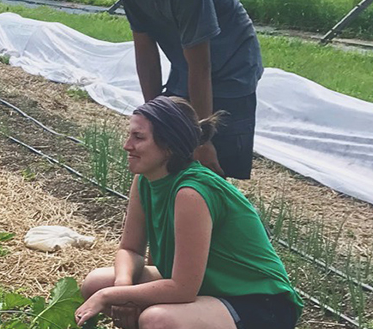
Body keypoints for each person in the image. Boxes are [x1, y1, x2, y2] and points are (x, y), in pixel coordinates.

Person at [75, 96, 302, 329]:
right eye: (129, 135)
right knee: (97, 283)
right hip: (208, 287)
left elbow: (182, 289)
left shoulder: (191, 192)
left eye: (138, 137)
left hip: (260, 303)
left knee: (157, 321)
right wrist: (122, 288)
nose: (127, 145)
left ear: (168, 146)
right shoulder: (144, 180)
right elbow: (130, 249)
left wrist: (110, 297)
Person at [93, 0, 263, 179]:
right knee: (169, 154)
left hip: (231, 70)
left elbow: (202, 66)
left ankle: (213, 215)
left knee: (212, 168)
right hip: (187, 68)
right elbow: (145, 49)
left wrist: (203, 139)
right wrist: (154, 114)